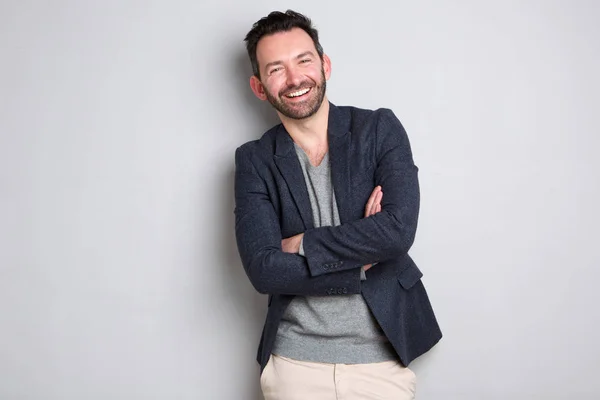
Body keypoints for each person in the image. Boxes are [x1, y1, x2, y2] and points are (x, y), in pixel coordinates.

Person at [234, 10, 442, 400]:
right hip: (294, 363)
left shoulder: (379, 130)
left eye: (304, 60)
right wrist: (360, 261)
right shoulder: (255, 160)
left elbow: (397, 231)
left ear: (324, 64)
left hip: (381, 359)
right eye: (276, 69)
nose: (295, 79)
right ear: (259, 86)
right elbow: (264, 269)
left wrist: (304, 245)